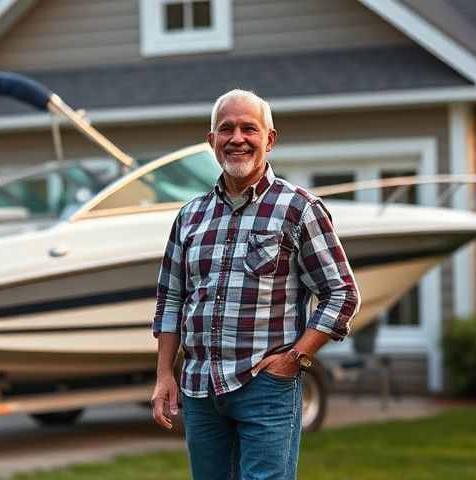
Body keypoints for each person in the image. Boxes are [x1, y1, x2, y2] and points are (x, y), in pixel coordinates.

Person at [150, 89, 361, 479]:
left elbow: (342, 293)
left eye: (249, 128)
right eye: (226, 129)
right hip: (200, 390)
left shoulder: (299, 209)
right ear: (211, 140)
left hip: (266, 388)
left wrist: (295, 358)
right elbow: (171, 299)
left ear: (269, 139)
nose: (237, 138)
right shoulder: (190, 216)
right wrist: (165, 374)